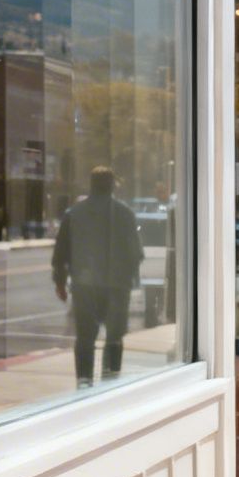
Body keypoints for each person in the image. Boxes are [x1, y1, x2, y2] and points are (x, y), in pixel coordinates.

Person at [52, 166, 145, 388]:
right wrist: (130, 280)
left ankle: (84, 380)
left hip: (84, 285)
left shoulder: (74, 214)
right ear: (113, 185)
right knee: (114, 337)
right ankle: (109, 380)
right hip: (116, 286)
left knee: (85, 337)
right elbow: (136, 254)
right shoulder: (125, 214)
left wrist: (60, 282)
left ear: (91, 185)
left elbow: (60, 253)